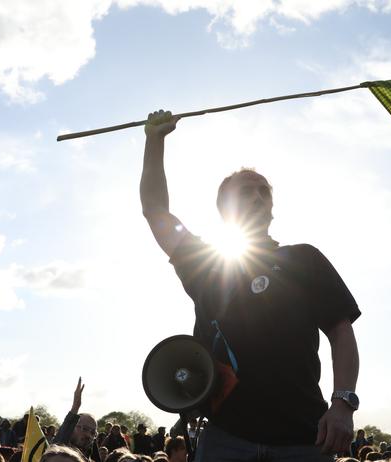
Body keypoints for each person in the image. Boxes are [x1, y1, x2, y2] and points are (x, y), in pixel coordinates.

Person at [140, 110, 361, 460]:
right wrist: (154, 142)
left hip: (304, 437)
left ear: (272, 209)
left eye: (264, 193)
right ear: (223, 207)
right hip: (227, 436)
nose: (258, 198)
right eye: (247, 192)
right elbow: (155, 210)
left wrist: (344, 401)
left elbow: (341, 331)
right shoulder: (206, 263)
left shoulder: (305, 259)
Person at [53, 378, 102, 462]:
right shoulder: (57, 456)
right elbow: (59, 442)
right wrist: (75, 408)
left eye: (93, 433)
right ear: (72, 428)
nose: (88, 435)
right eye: (85, 429)